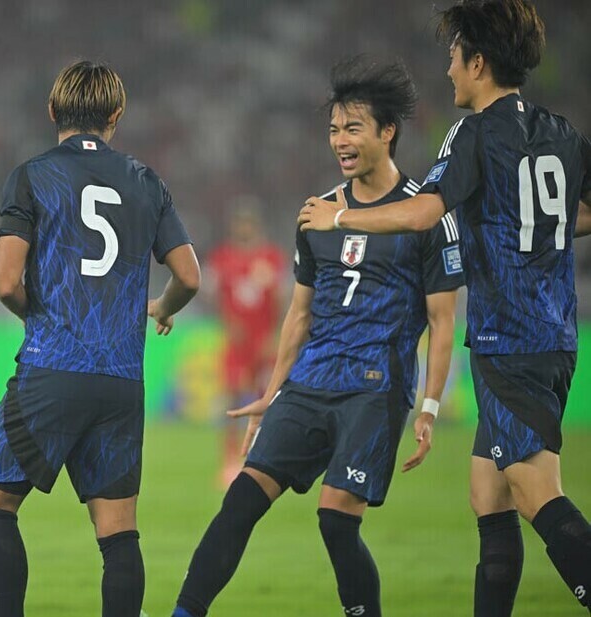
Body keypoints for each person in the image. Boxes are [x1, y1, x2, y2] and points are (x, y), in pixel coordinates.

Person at [298, 1, 591, 614]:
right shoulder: (561, 133)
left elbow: (426, 210)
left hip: (512, 340)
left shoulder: (476, 131)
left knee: (537, 493)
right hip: (553, 332)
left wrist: (342, 216)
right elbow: (568, 214)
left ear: (478, 62)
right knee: (489, 495)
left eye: (454, 57)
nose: (448, 69)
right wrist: (541, 229)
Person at [170, 59, 464, 617]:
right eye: (334, 130)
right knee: (239, 503)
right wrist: (271, 394)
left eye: (353, 128)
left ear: (387, 132)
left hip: (374, 390)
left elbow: (443, 320)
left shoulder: (425, 215)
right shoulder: (316, 213)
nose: (340, 141)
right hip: (309, 384)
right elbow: (299, 316)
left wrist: (428, 405)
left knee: (335, 520)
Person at [0, 60, 200, 617]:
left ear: (53, 111)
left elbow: (5, 283)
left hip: (53, 370)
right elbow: (190, 276)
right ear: (116, 117)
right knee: (118, 532)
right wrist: (162, 309)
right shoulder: (148, 182)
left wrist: (38, 317)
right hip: (122, 382)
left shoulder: (31, 175)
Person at [205, 201, 286, 487]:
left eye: (248, 223)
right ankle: (230, 460)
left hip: (263, 341)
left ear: (256, 225)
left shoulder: (270, 257)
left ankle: (265, 458)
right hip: (236, 343)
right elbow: (213, 296)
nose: (244, 228)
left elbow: (281, 297)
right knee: (232, 397)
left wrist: (275, 333)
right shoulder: (223, 258)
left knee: (266, 398)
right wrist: (226, 323)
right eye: (240, 223)